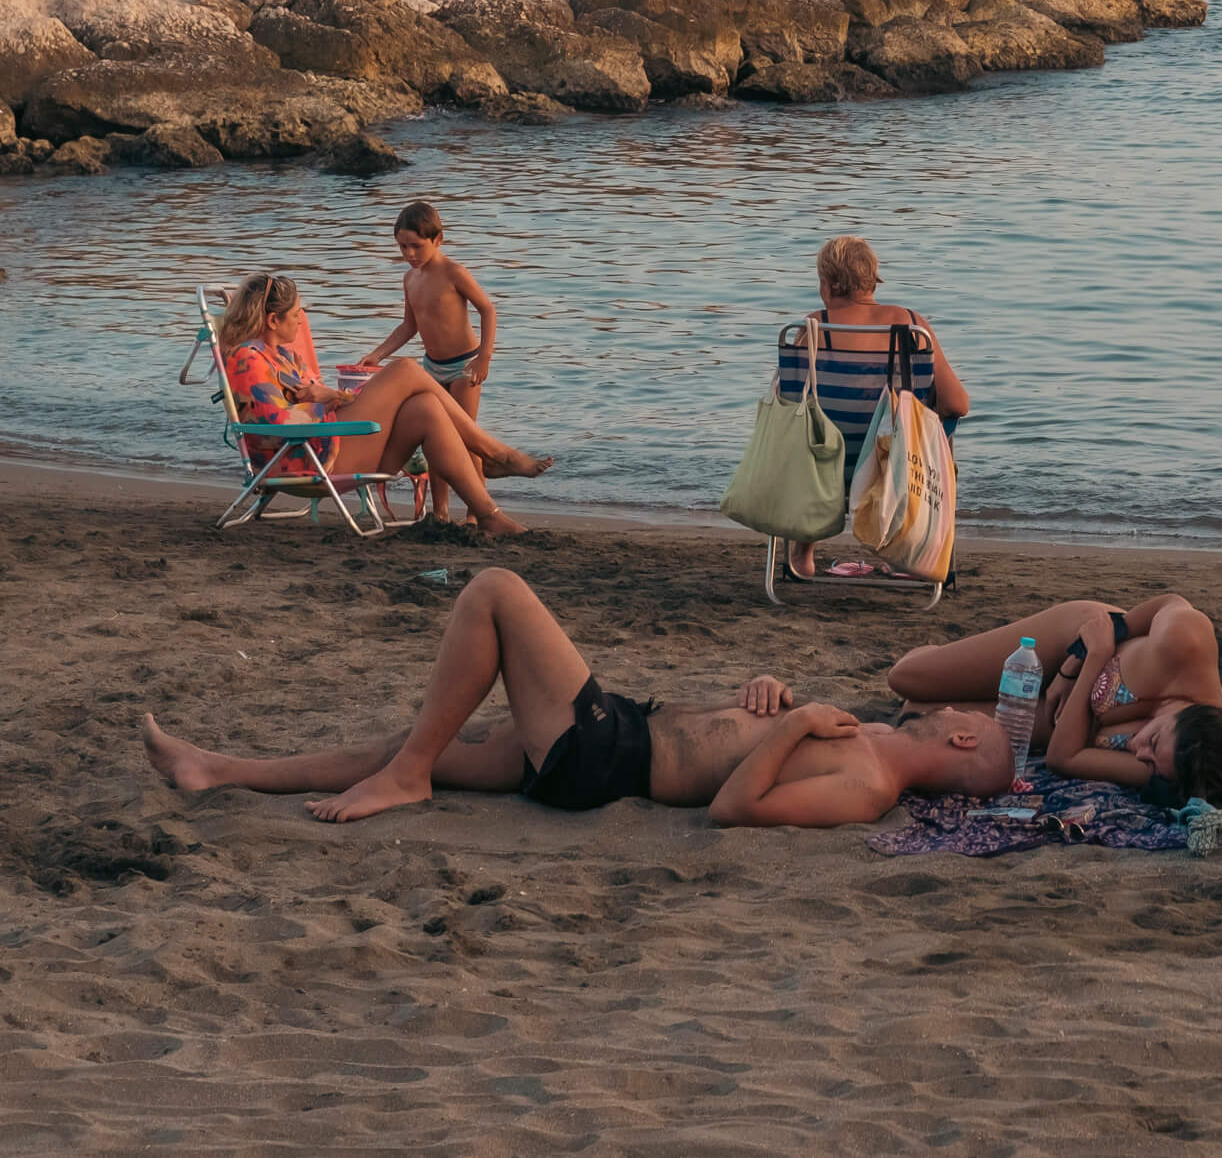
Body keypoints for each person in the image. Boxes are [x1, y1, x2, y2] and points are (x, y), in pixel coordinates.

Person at [140, 568, 1015, 826]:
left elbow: (733, 806)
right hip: (619, 731)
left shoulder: (869, 787)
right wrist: (756, 695)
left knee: (494, 591)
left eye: (969, 718)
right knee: (412, 741)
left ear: (964, 746)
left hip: (604, 756)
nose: (960, 710)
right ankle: (217, 770)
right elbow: (722, 739)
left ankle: (406, 776)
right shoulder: (861, 734)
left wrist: (785, 727)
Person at [219, 272, 547, 539]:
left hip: (329, 445)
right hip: (308, 461)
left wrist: (334, 397)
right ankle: (494, 454)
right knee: (405, 369)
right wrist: (322, 402)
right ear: (274, 320)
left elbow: (328, 400)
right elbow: (276, 428)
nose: (301, 321)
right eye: (295, 315)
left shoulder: (287, 358)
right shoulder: (248, 360)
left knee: (426, 408)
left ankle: (488, 514)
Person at [888, 595, 1222, 808]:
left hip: (1075, 702)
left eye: (1150, 760)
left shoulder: (1176, 771)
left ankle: (962, 670)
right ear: (1190, 718)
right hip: (1070, 643)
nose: (1139, 752)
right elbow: (1166, 603)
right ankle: (946, 655)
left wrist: (1093, 666)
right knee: (906, 679)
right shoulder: (1186, 645)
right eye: (1152, 741)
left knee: (917, 714)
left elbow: (1063, 759)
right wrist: (1079, 660)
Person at [773, 235, 972, 583]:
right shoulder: (911, 326)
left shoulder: (811, 329)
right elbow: (958, 404)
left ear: (830, 284)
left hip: (821, 468)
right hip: (895, 468)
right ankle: (908, 547)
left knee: (816, 431)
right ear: (872, 279)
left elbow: (790, 407)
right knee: (931, 424)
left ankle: (802, 553)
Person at [358, 200, 499, 522]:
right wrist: (378, 354)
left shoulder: (454, 273)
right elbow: (409, 325)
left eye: (416, 247)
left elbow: (488, 310)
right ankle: (441, 511)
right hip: (431, 368)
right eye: (402, 247)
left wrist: (484, 357)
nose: (409, 254)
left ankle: (478, 511)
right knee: (437, 439)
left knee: (466, 439)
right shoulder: (410, 279)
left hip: (464, 365)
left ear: (438, 240)